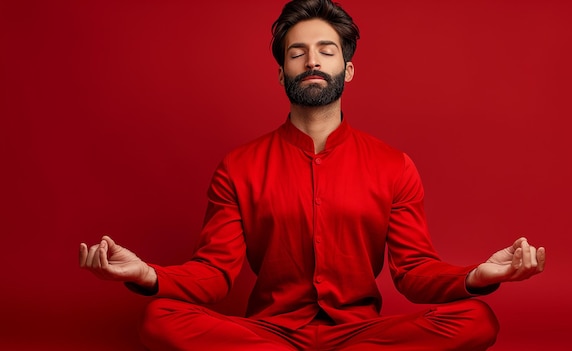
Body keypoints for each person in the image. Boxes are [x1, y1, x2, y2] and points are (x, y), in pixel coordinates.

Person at [79, 0, 546, 350]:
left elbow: (414, 272)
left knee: (476, 320)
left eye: (326, 50)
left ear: (348, 67)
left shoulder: (392, 164)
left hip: (360, 334)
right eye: (297, 52)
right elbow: (214, 274)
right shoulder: (238, 166)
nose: (312, 61)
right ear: (282, 71)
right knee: (159, 319)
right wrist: (146, 274)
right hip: (270, 333)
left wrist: (479, 274)